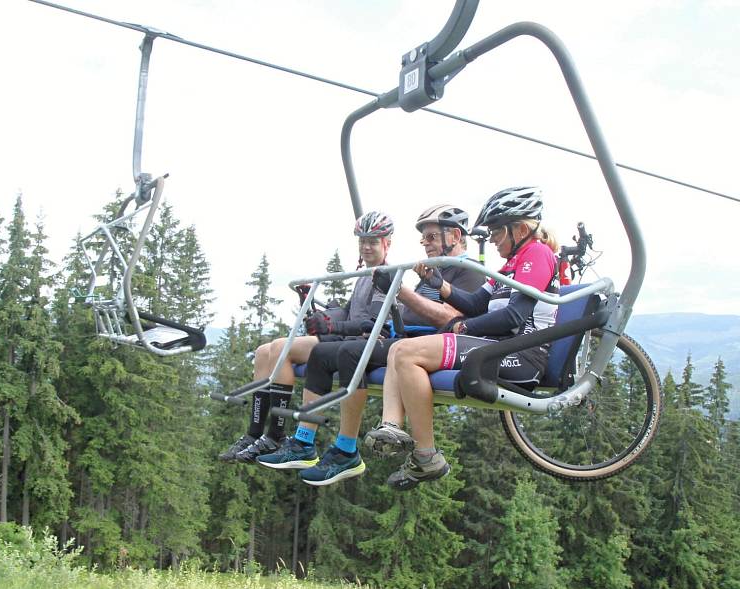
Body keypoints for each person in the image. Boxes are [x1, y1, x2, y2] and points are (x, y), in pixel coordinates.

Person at [257, 205, 486, 484]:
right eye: (423, 238)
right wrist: (326, 317)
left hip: (425, 346)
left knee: (350, 352)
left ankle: (346, 449)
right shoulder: (434, 273)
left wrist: (398, 291)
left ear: (454, 236)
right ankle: (304, 442)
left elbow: (453, 319)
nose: (425, 244)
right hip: (404, 338)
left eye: (431, 237)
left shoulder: (468, 273)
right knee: (321, 354)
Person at [364, 186, 559, 491]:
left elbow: (514, 317)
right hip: (497, 347)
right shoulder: (509, 265)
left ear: (520, 229)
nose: (492, 238)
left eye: (497, 231)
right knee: (400, 350)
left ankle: (426, 455)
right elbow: (475, 304)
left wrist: (465, 328)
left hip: (521, 355)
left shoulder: (538, 254)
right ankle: (391, 427)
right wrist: (437, 284)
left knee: (405, 354)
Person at [218, 211, 394, 463]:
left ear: (387, 243)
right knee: (264, 351)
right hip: (344, 339)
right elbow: (348, 312)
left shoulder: (385, 276)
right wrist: (319, 310)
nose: (366, 247)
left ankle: (275, 434)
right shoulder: (365, 276)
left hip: (358, 343)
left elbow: (372, 322)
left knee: (281, 349)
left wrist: (333, 327)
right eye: (362, 241)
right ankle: (254, 433)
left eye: (372, 241)